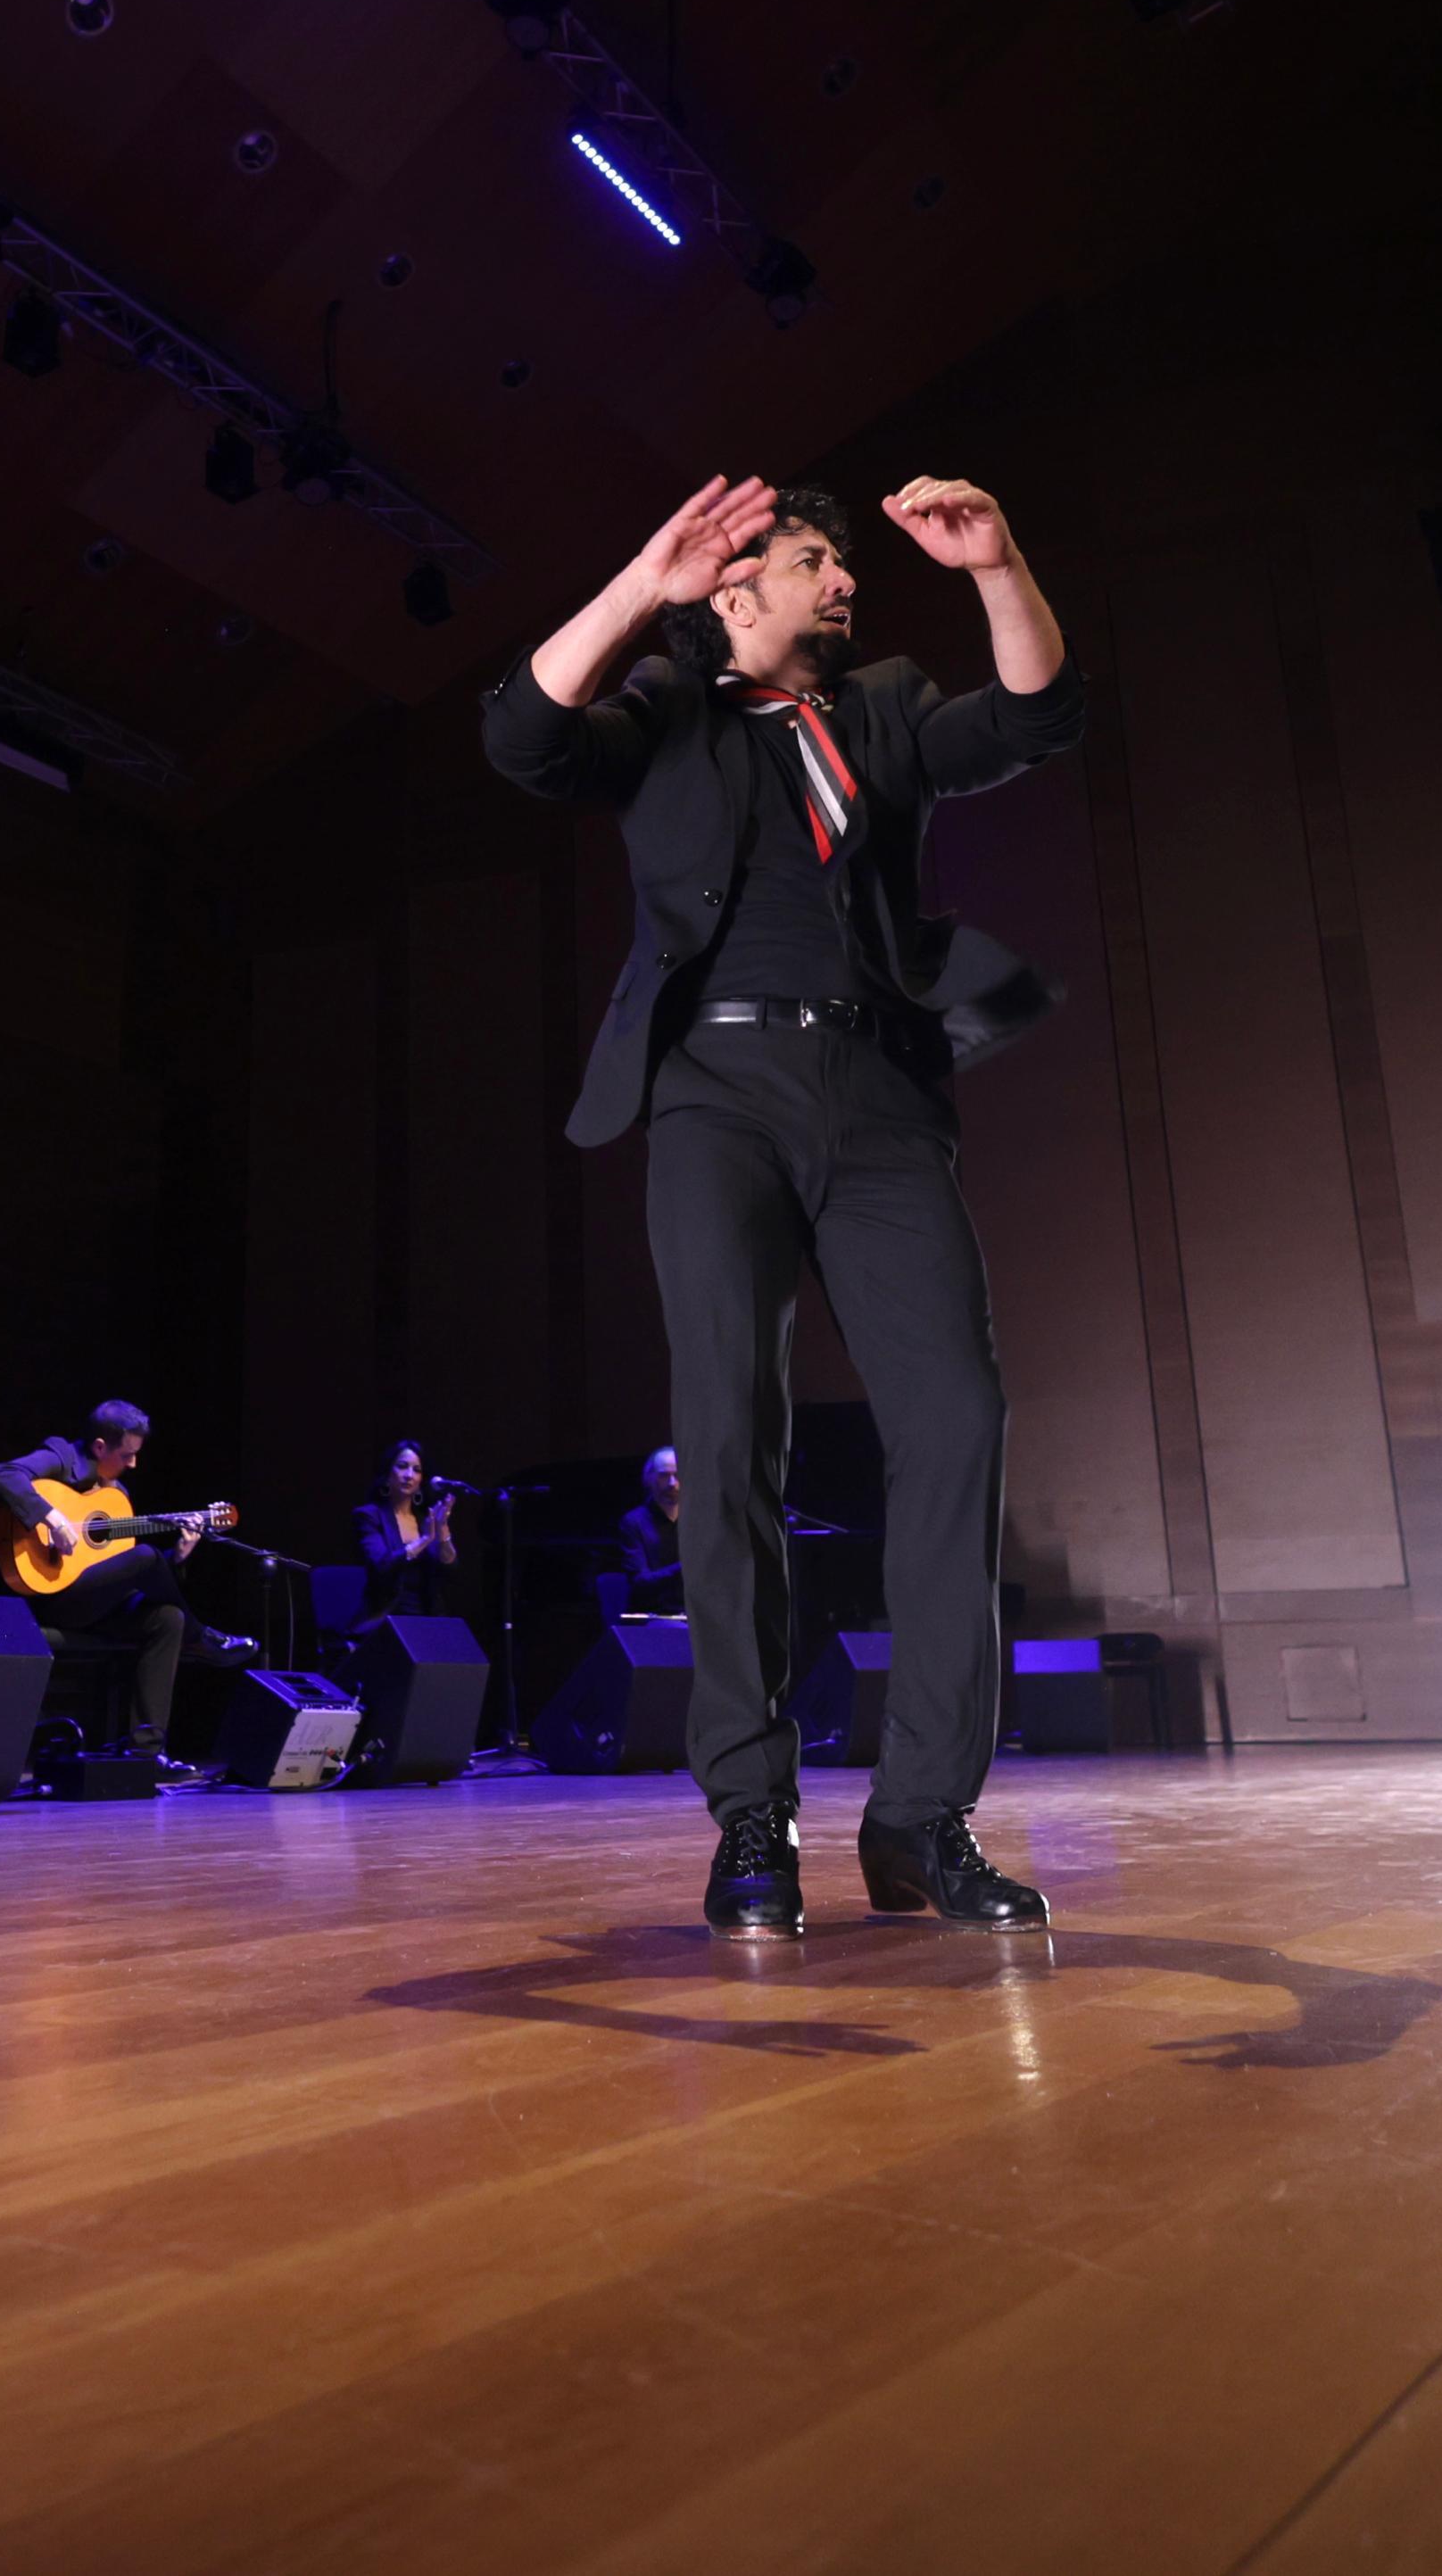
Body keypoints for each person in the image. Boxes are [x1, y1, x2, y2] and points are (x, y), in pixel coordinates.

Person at [484, 471, 1080, 1937]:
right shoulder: (666, 713)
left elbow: (1031, 716)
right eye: (818, 558)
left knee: (958, 1420)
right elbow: (523, 735)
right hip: (716, 1095)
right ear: (739, 586)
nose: (848, 578)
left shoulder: (883, 707)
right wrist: (644, 584)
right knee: (730, 1437)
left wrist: (999, 565)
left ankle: (923, 1816)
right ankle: (752, 1812)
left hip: (877, 1099)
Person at [0, 1401, 249, 1756]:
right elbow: (2, 1474)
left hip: (95, 1606)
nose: (134, 1464)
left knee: (168, 1618)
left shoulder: (116, 1497)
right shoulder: (62, 1456)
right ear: (99, 1447)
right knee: (145, 1556)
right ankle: (200, 1638)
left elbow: (118, 1571)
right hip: (51, 1599)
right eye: (127, 1455)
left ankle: (146, 1753)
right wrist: (51, 1517)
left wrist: (178, 1557)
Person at [352, 1441, 463, 1622]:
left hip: (429, 1618)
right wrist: (424, 1540)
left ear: (421, 1481)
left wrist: (443, 1531)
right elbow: (382, 1567)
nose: (409, 1475)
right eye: (402, 1466)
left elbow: (451, 1571)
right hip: (386, 1619)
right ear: (388, 1474)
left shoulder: (426, 1519)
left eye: (417, 1470)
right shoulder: (369, 1516)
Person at [600, 1446, 683, 1622]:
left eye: (678, 1475)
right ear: (649, 1479)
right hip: (654, 1616)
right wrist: (685, 1568)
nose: (672, 1483)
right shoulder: (634, 1522)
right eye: (664, 1476)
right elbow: (640, 1582)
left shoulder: (699, 1519)